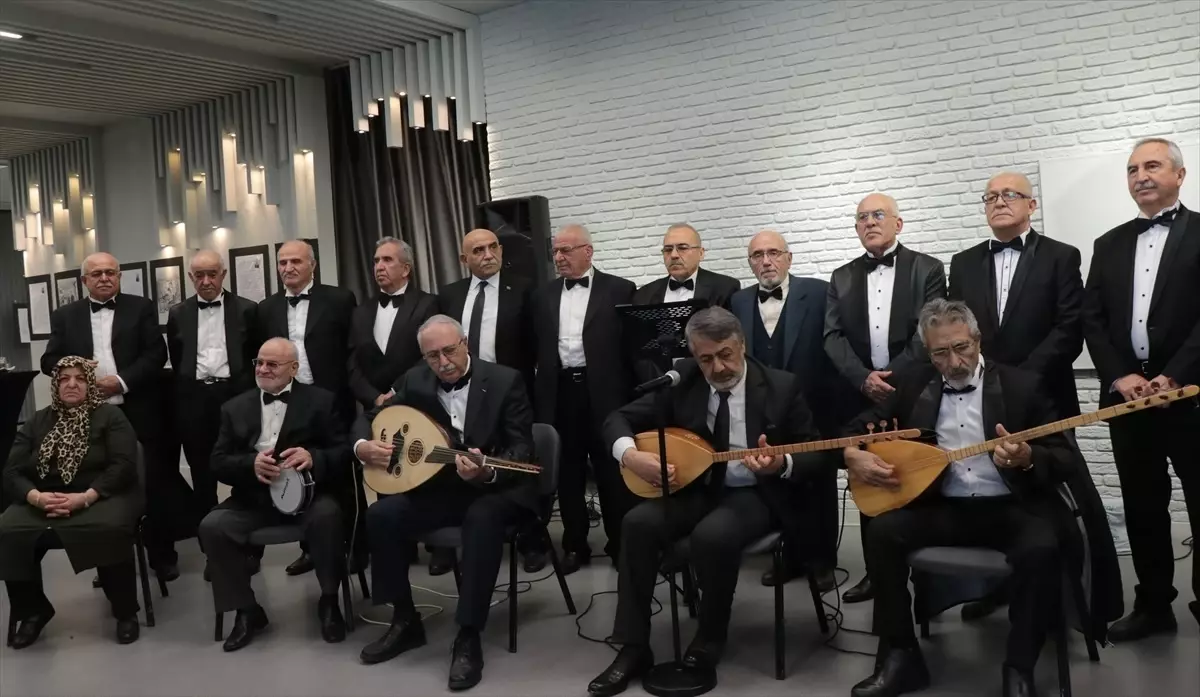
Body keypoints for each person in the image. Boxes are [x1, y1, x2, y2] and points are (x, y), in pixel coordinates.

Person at [844, 299, 1084, 697]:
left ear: (977, 339)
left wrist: (1028, 457)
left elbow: (1064, 457)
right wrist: (852, 453)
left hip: (1011, 506)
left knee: (1042, 547)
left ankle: (1019, 666)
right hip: (945, 506)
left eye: (961, 348)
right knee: (881, 533)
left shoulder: (1022, 385)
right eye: (940, 352)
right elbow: (856, 428)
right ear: (927, 351)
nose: (954, 362)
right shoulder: (913, 384)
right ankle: (902, 656)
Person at [587, 307, 828, 697]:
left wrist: (780, 463)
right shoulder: (682, 382)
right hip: (698, 489)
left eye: (725, 355)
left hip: (755, 493)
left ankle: (710, 636)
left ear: (741, 345)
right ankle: (633, 646)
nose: (717, 368)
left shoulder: (782, 386)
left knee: (713, 535)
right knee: (637, 523)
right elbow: (616, 419)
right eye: (705, 359)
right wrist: (630, 456)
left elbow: (817, 453)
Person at [353, 316, 538, 691]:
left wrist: (486, 472)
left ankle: (468, 633)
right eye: (432, 356)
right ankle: (405, 619)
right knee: (382, 515)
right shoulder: (414, 380)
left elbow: (522, 449)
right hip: (442, 488)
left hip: (495, 490)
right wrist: (362, 447)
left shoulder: (505, 380)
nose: (443, 362)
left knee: (482, 518)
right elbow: (372, 417)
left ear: (465, 342)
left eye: (449, 351)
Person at [948, 173, 1094, 621]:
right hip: (980, 402)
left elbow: (1069, 329)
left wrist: (1017, 380)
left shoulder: (1061, 256)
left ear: (1032, 205)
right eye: (990, 196)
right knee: (993, 492)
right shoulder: (963, 263)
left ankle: (1057, 601)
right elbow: (958, 332)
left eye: (1009, 194)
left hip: (1045, 396)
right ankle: (999, 587)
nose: (998, 201)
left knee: (1047, 496)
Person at [1083, 137, 1200, 637]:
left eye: (1152, 166)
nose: (1141, 176)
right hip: (1128, 401)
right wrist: (1121, 375)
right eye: (1132, 169)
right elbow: (1092, 318)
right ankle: (1154, 606)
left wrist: (1175, 373)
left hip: (1191, 396)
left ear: (1180, 174)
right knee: (1142, 506)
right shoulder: (1107, 244)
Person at [825, 194, 946, 603]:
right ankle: (878, 575)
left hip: (914, 392)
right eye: (862, 217)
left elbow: (928, 331)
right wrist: (863, 379)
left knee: (918, 476)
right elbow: (832, 336)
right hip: (859, 393)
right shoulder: (841, 276)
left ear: (898, 223)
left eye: (878, 215)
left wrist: (891, 379)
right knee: (869, 478)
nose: (870, 222)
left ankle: (928, 578)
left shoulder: (928, 268)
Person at [199, 338, 351, 652]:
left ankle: (328, 600)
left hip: (308, 498)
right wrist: (249, 464)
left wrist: (313, 457)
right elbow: (217, 461)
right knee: (213, 527)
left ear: (294, 368)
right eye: (259, 362)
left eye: (272, 364)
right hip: (253, 500)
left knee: (329, 516)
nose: (263, 369)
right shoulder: (234, 407)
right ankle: (247, 610)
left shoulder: (322, 401)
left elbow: (343, 451)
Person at [40, 252, 176, 580]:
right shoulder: (65, 316)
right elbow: (49, 361)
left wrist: (122, 381)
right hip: (90, 416)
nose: (104, 278)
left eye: (110, 272)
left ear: (119, 276)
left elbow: (157, 353)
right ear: (84, 280)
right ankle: (108, 562)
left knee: (153, 481)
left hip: (138, 409)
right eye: (97, 273)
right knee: (97, 483)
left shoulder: (140, 307)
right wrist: (77, 373)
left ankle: (162, 556)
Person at [1, 356, 142, 647]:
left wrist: (87, 497)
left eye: (79, 378)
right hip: (44, 497)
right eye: (64, 379)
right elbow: (12, 471)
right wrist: (35, 497)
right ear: (55, 385)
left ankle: (124, 610)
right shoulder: (38, 420)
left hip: (101, 494)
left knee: (110, 528)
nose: (72, 384)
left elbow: (123, 465)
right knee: (7, 531)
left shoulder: (110, 417)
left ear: (90, 383)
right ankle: (33, 612)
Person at [729, 230, 838, 591]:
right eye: (757, 255)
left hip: (813, 406)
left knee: (818, 487)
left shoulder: (819, 292)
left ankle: (822, 562)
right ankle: (788, 559)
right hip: (765, 412)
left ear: (789, 258)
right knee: (776, 487)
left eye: (774, 253)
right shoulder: (738, 301)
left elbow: (833, 347)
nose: (766, 261)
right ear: (750, 263)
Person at [532, 224, 637, 573]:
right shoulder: (542, 295)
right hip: (561, 392)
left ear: (588, 252)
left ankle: (620, 543)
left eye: (566, 250)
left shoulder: (620, 289)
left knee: (611, 471)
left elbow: (630, 349)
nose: (559, 257)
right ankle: (575, 545)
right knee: (568, 473)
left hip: (605, 393)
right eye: (555, 251)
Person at [438, 228, 543, 572]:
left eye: (492, 247)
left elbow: (537, 344)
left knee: (517, 462)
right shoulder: (450, 295)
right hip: (465, 393)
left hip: (511, 393)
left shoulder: (525, 288)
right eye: (478, 250)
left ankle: (531, 540)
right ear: (463, 259)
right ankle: (463, 535)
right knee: (468, 462)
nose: (487, 255)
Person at [258, 239, 356, 575]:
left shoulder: (340, 299)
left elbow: (352, 351)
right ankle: (310, 549)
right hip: (291, 403)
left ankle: (354, 546)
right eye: (283, 262)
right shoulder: (266, 308)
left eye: (296, 261)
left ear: (312, 265)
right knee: (297, 474)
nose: (288, 268)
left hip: (333, 400)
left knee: (342, 474)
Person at [166, 250, 259, 529]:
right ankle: (207, 534)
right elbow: (178, 357)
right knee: (200, 467)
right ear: (190, 277)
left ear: (223, 275)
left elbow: (255, 355)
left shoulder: (247, 309)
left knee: (242, 462)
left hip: (235, 396)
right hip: (194, 399)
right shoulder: (178, 313)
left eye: (212, 274)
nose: (206, 281)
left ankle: (246, 530)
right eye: (199, 275)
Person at [350, 237, 438, 410]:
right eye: (376, 261)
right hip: (374, 408)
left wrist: (396, 391)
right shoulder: (361, 311)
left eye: (387, 260)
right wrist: (374, 397)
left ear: (405, 269)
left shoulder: (427, 304)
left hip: (416, 402)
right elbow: (353, 362)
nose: (379, 267)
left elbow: (431, 355)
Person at [632, 223, 741, 309]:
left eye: (682, 248)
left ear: (701, 253)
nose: (674, 255)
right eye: (668, 249)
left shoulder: (725, 288)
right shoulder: (644, 294)